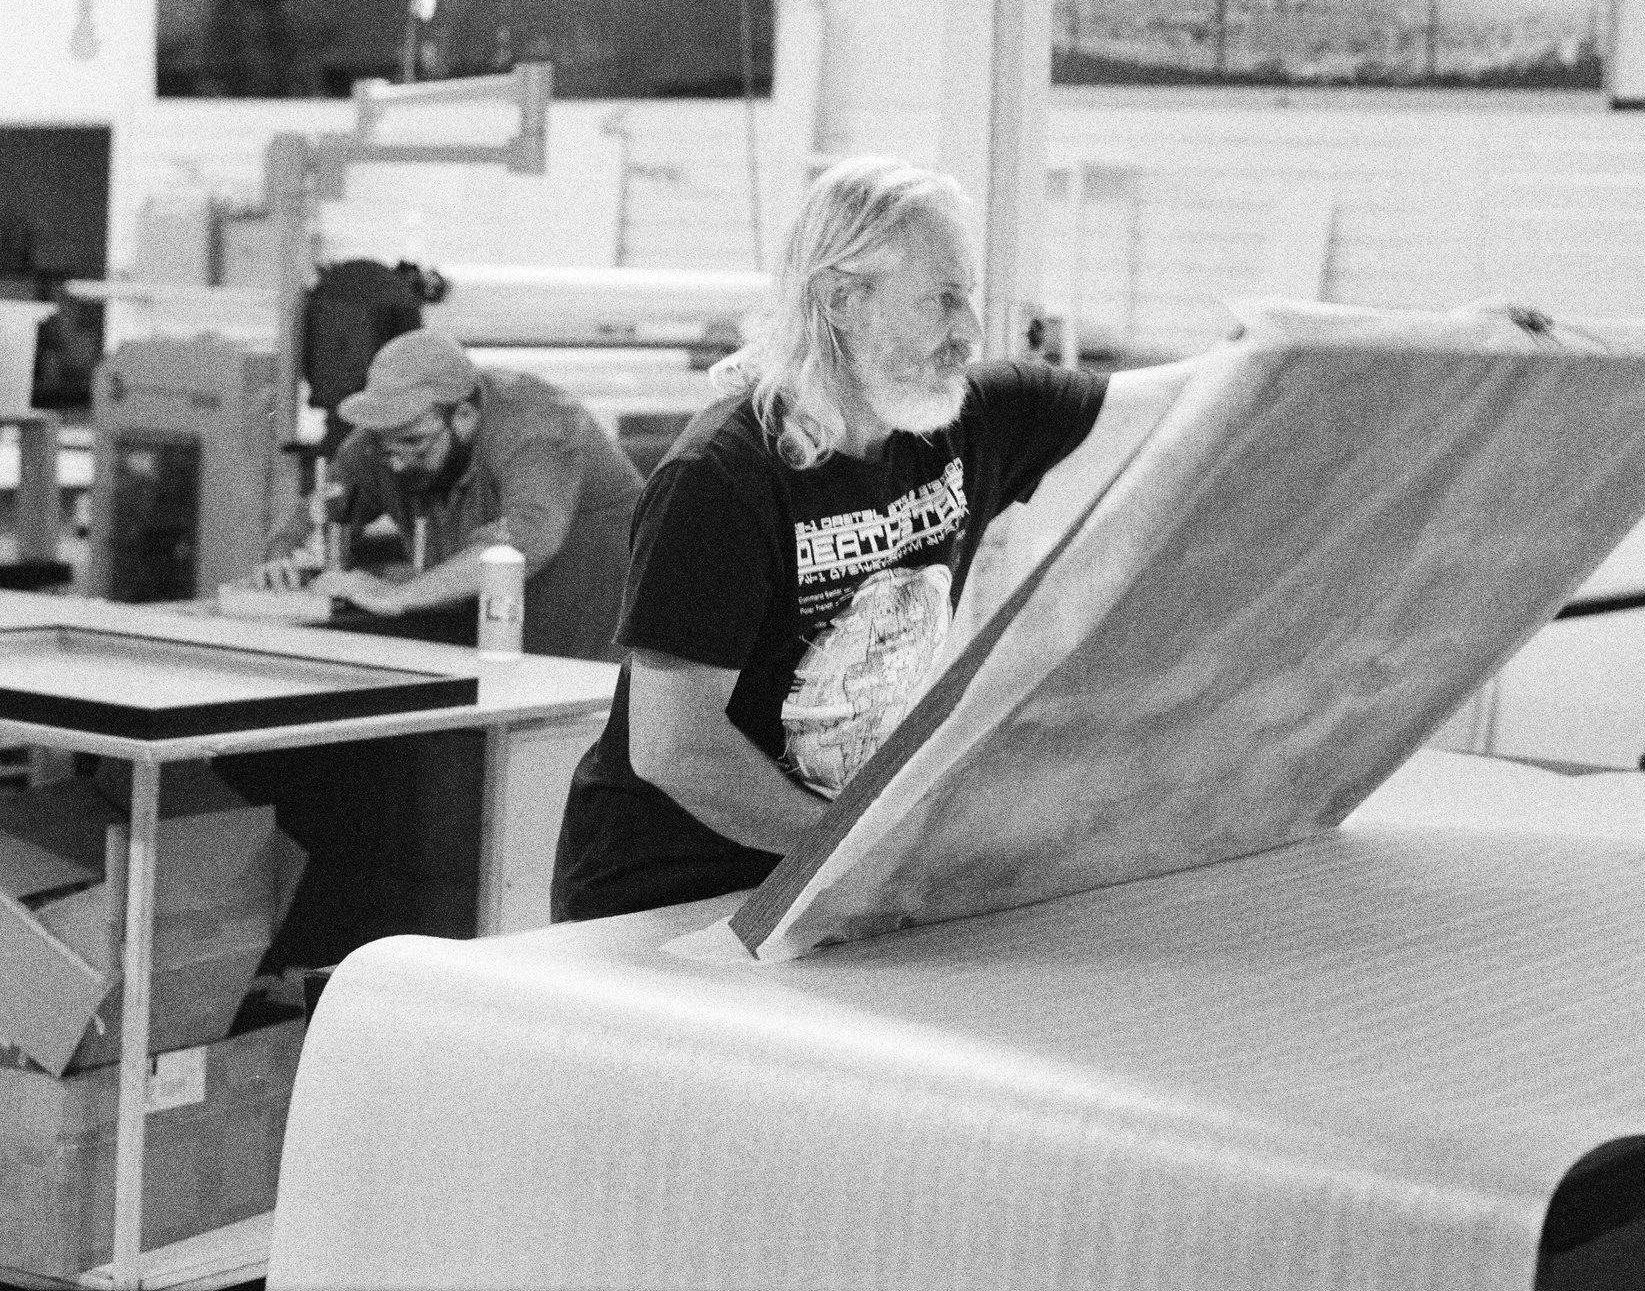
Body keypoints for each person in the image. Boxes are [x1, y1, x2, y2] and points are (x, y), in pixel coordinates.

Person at [551, 157, 1191, 921]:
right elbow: (674, 747)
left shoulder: (965, 423)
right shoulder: (723, 478)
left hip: (818, 883)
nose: (969, 332)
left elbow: (1178, 404)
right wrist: (867, 853)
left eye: (969, 299)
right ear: (844, 300)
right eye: (942, 301)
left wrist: (1303, 352)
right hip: (662, 898)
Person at [252, 328, 643, 661]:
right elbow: (320, 514)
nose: (398, 464)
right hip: (499, 640)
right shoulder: (387, 439)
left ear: (465, 416)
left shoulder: (534, 426)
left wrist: (397, 594)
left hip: (599, 647)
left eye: (415, 445)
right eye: (388, 448)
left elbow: (524, 541)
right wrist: (285, 562)